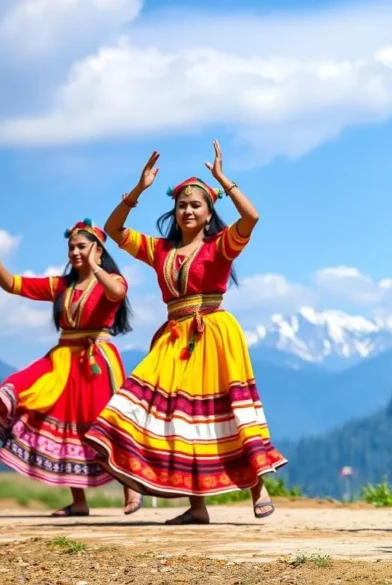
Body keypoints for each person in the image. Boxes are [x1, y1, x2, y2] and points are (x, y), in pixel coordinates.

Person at [83, 143, 287, 525]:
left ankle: (258, 486)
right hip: (174, 338)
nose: (188, 211)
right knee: (179, 417)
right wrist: (137, 191)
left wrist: (224, 182)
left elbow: (252, 217)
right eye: (182, 205)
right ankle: (196, 507)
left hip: (214, 333)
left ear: (209, 213)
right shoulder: (160, 249)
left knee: (227, 412)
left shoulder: (220, 246)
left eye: (196, 206)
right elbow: (112, 230)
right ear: (174, 212)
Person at [0, 219, 143, 517]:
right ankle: (79, 501)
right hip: (62, 360)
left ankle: (130, 488)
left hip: (97, 361)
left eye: (81, 247)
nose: (74, 252)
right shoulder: (62, 286)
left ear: (98, 249)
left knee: (107, 424)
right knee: (57, 421)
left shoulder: (112, 280)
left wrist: (95, 267)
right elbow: (13, 284)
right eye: (71, 247)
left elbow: (117, 293)